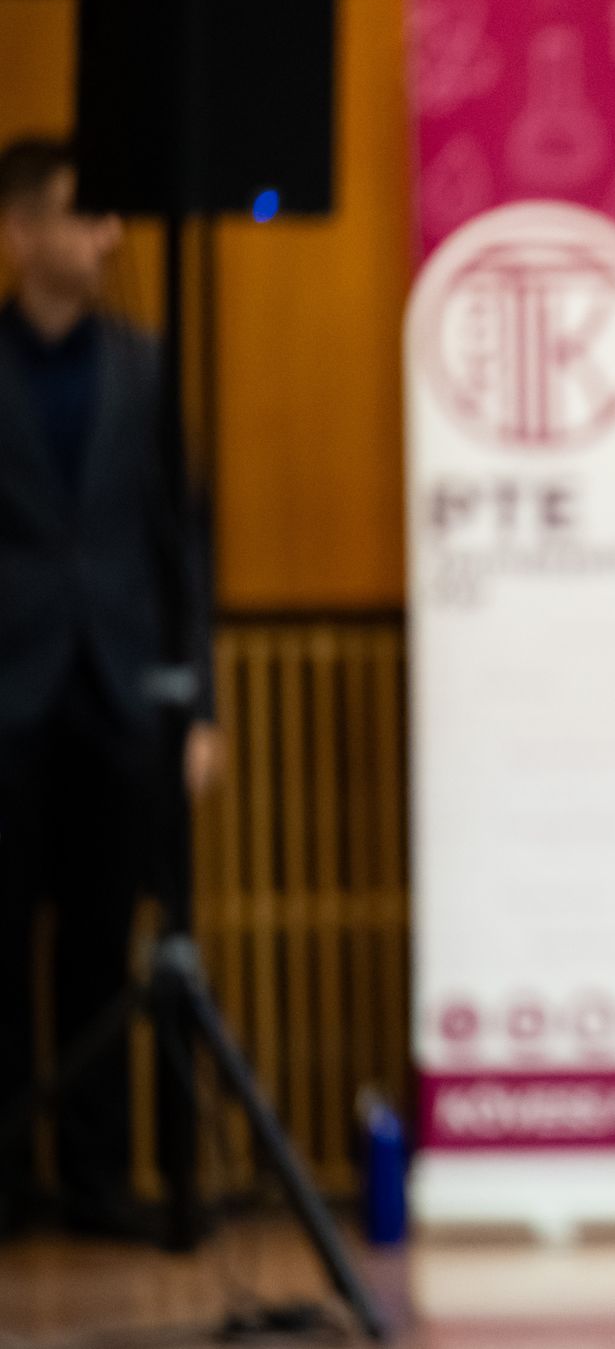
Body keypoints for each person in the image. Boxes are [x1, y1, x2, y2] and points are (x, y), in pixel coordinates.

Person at [0, 136, 221, 1240]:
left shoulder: (147, 362)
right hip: (8, 693)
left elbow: (187, 541)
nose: (111, 235)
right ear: (21, 230)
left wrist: (202, 706)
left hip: (121, 694)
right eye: (84, 214)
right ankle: (9, 1180)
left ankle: (97, 1181)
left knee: (102, 945)